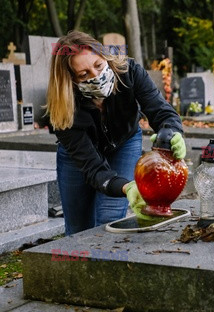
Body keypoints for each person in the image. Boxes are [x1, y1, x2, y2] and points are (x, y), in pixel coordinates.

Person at [46, 31, 186, 235]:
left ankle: (106, 263)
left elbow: (161, 111)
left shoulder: (129, 72)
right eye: (84, 75)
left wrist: (173, 133)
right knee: (78, 228)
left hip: (124, 142)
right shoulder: (64, 109)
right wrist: (127, 187)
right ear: (71, 80)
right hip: (78, 158)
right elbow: (94, 170)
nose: (96, 76)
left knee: (109, 217)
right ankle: (80, 264)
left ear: (104, 57)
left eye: (98, 65)